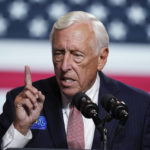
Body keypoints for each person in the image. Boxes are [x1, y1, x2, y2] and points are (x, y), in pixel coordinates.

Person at [0, 11, 150, 150]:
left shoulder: (141, 107)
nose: (64, 66)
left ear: (101, 58)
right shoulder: (21, 104)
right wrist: (20, 128)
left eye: (77, 55)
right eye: (59, 53)